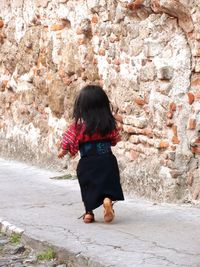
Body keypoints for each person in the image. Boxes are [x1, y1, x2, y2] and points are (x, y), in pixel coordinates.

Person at [58, 84, 124, 223]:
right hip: (107, 160)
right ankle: (107, 200)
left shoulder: (78, 126)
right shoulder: (108, 123)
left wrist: (63, 150)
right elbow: (114, 140)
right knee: (107, 184)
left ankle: (89, 213)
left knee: (88, 187)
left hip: (88, 162)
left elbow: (68, 139)